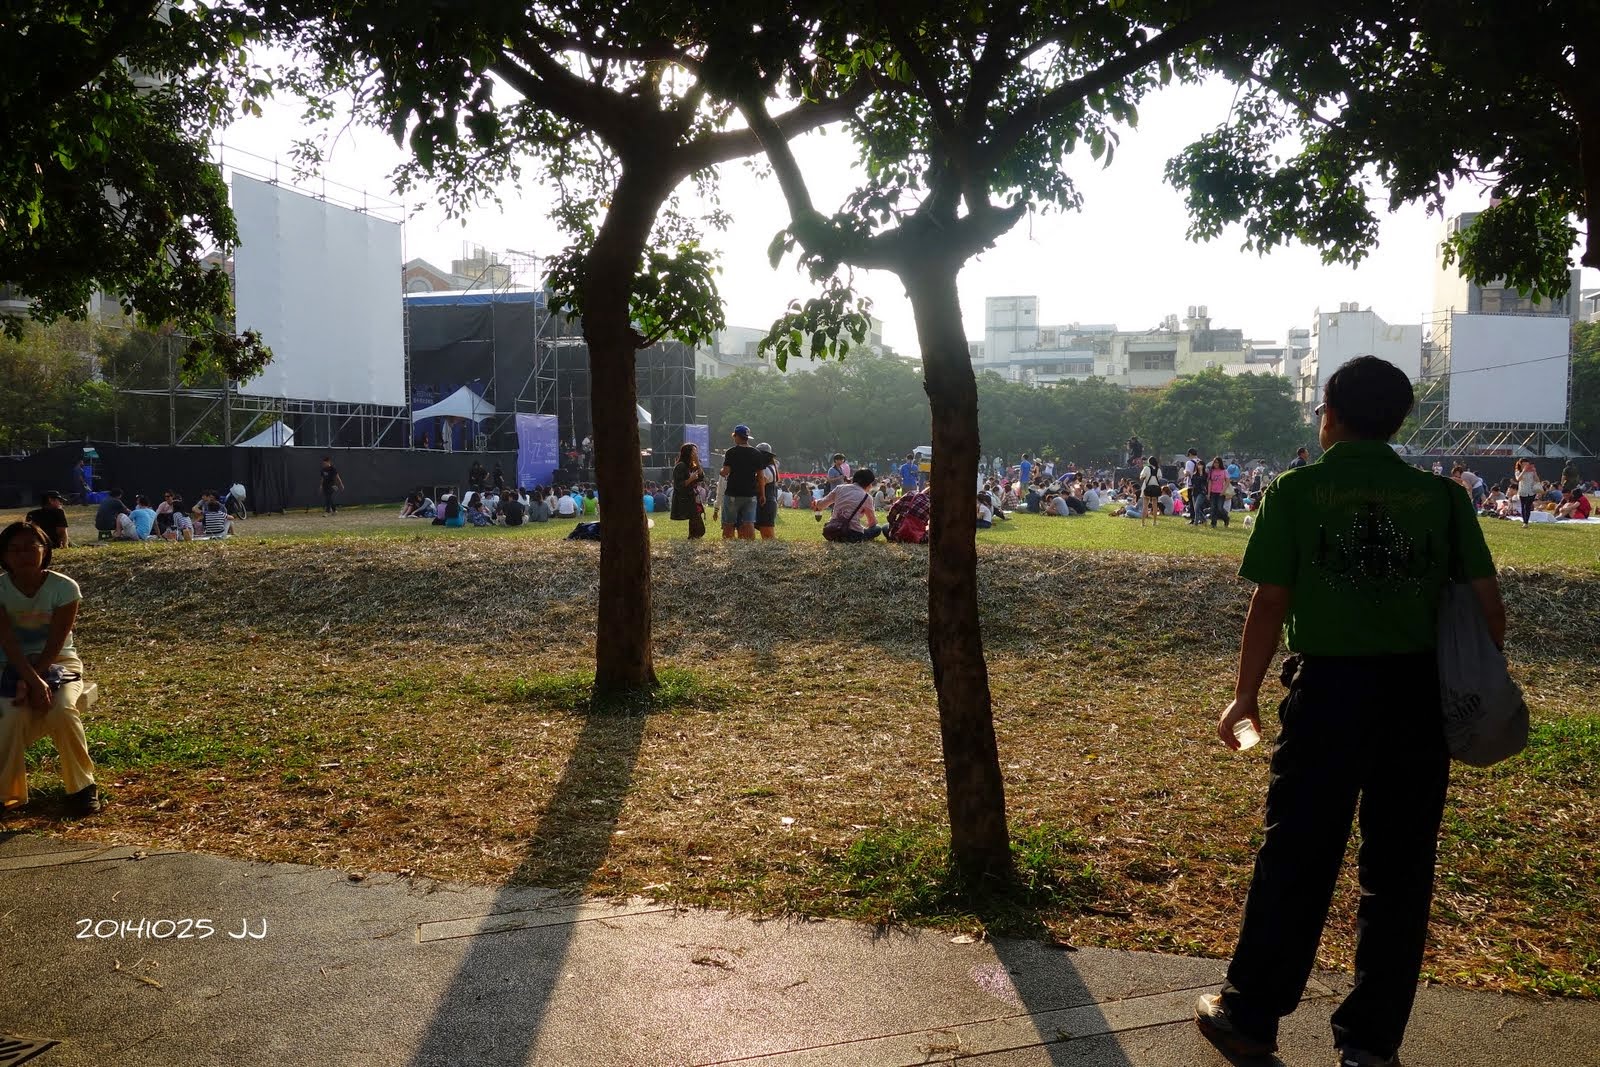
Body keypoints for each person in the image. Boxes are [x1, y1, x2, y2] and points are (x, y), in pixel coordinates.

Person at [1198, 356, 1506, 1067]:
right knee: (1400, 871)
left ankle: (1250, 1016)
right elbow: (1489, 612)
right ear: (1398, 420)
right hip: (1417, 702)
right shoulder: (1443, 498)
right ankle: (1370, 1043)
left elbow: (1270, 601)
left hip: (1328, 697)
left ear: (1330, 415)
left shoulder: (1296, 491)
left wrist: (1244, 694)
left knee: (1296, 856)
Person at [0, 522, 99, 816]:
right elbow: (7, 643)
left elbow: (56, 642)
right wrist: (28, 679)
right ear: (3, 555)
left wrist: (34, 680)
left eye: (32, 547)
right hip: (8, 665)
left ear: (45, 550)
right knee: (9, 716)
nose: (24, 555)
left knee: (62, 711)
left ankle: (82, 788)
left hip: (59, 663)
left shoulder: (64, 588)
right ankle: (7, 794)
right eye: (14, 549)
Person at [814, 468, 885, 542]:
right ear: (869, 484)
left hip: (833, 531)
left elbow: (821, 505)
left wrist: (816, 503)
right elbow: (872, 522)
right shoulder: (867, 497)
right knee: (877, 529)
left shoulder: (839, 488)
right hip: (852, 535)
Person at [720, 425, 762, 540]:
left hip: (733, 492)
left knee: (729, 524)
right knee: (749, 523)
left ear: (737, 436)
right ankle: (750, 547)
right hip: (750, 494)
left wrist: (721, 471)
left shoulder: (731, 452)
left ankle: (728, 546)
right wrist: (762, 494)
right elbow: (760, 476)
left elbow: (725, 472)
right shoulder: (756, 453)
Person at [671, 443, 708, 539]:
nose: (696, 454)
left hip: (693, 498)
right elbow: (678, 485)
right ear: (688, 453)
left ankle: (692, 538)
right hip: (685, 499)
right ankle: (692, 539)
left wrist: (697, 462)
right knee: (698, 527)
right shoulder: (680, 466)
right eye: (694, 452)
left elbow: (701, 477)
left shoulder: (692, 465)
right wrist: (691, 479)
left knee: (697, 525)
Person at [754, 443, 780, 540]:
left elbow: (758, 486)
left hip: (766, 504)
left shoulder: (766, 470)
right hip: (767, 503)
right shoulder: (770, 467)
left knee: (768, 537)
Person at [1207, 456, 1232, 528]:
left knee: (1220, 508)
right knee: (1213, 508)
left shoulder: (1224, 471)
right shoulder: (1211, 471)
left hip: (1220, 492)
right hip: (1213, 492)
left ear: (1220, 463)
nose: (1216, 464)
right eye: (1215, 462)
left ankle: (1226, 518)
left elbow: (1227, 481)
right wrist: (1208, 493)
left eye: (1217, 462)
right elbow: (1210, 482)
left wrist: (1223, 491)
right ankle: (1213, 523)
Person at [1138, 455, 1162, 527]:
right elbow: (1159, 478)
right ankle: (1154, 522)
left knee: (1145, 505)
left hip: (1147, 488)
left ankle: (1143, 522)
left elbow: (1141, 477)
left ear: (1149, 462)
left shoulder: (1146, 468)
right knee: (1155, 506)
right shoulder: (1158, 469)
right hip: (1155, 489)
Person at [1515, 460, 1539, 526]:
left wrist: (1534, 472)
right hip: (1523, 491)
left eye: (1527, 464)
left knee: (1528, 507)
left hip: (1531, 491)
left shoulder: (1531, 472)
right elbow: (1518, 479)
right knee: (1523, 506)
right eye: (1524, 464)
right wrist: (1523, 471)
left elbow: (1537, 480)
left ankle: (1526, 522)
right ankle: (1524, 521)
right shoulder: (1518, 472)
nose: (1526, 466)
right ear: (1521, 465)